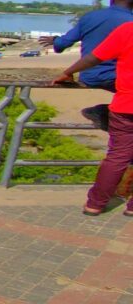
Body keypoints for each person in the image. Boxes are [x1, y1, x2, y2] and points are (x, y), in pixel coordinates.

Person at [52, 21, 133, 217]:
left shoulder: (127, 29)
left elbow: (94, 57)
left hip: (126, 105)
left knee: (117, 157)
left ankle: (95, 204)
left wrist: (67, 72)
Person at [40, 0, 133, 130]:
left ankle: (108, 114)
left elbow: (63, 44)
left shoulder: (90, 17)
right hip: (118, 78)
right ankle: (105, 112)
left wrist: (56, 40)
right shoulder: (130, 22)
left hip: (88, 75)